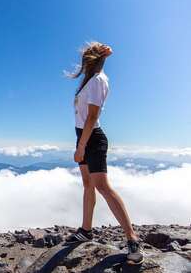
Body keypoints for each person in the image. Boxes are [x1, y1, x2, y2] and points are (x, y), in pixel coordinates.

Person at [64, 42, 143, 264]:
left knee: (102, 187)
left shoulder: (98, 80)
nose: (83, 63)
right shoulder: (89, 80)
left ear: (91, 60)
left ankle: (132, 238)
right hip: (84, 136)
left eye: (86, 58)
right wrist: (80, 143)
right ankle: (86, 230)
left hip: (92, 139)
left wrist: (81, 147)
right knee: (88, 185)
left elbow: (92, 116)